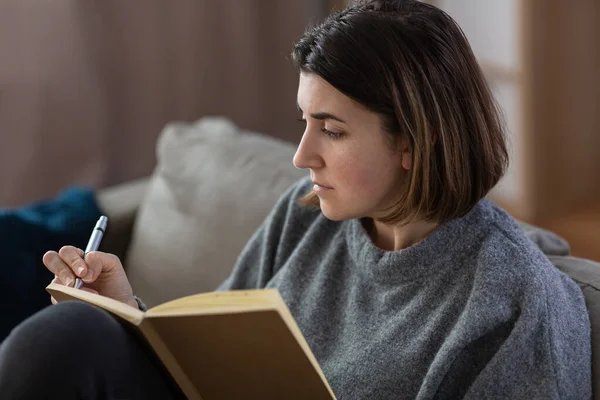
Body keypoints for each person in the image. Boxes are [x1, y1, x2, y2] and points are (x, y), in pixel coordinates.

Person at [0, 0, 591, 398]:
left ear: (414, 141)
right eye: (304, 122)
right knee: (63, 340)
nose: (301, 155)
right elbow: (208, 362)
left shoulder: (513, 297)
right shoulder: (306, 215)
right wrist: (128, 310)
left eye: (331, 130)